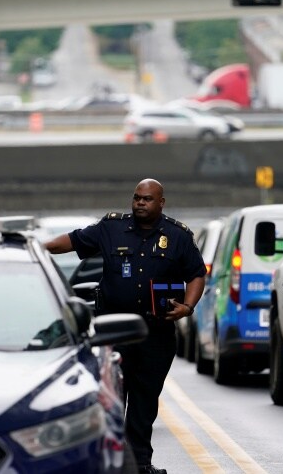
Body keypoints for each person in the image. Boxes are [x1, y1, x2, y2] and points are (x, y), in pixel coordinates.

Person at [46, 178, 206, 474]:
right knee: (110, 400)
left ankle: (140, 465)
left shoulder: (178, 236)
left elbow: (196, 274)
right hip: (113, 332)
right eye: (136, 198)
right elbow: (69, 241)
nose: (140, 203)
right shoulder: (111, 228)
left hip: (154, 333)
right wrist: (36, 248)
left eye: (147, 199)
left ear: (161, 202)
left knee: (144, 405)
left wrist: (188, 307)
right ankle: (108, 463)